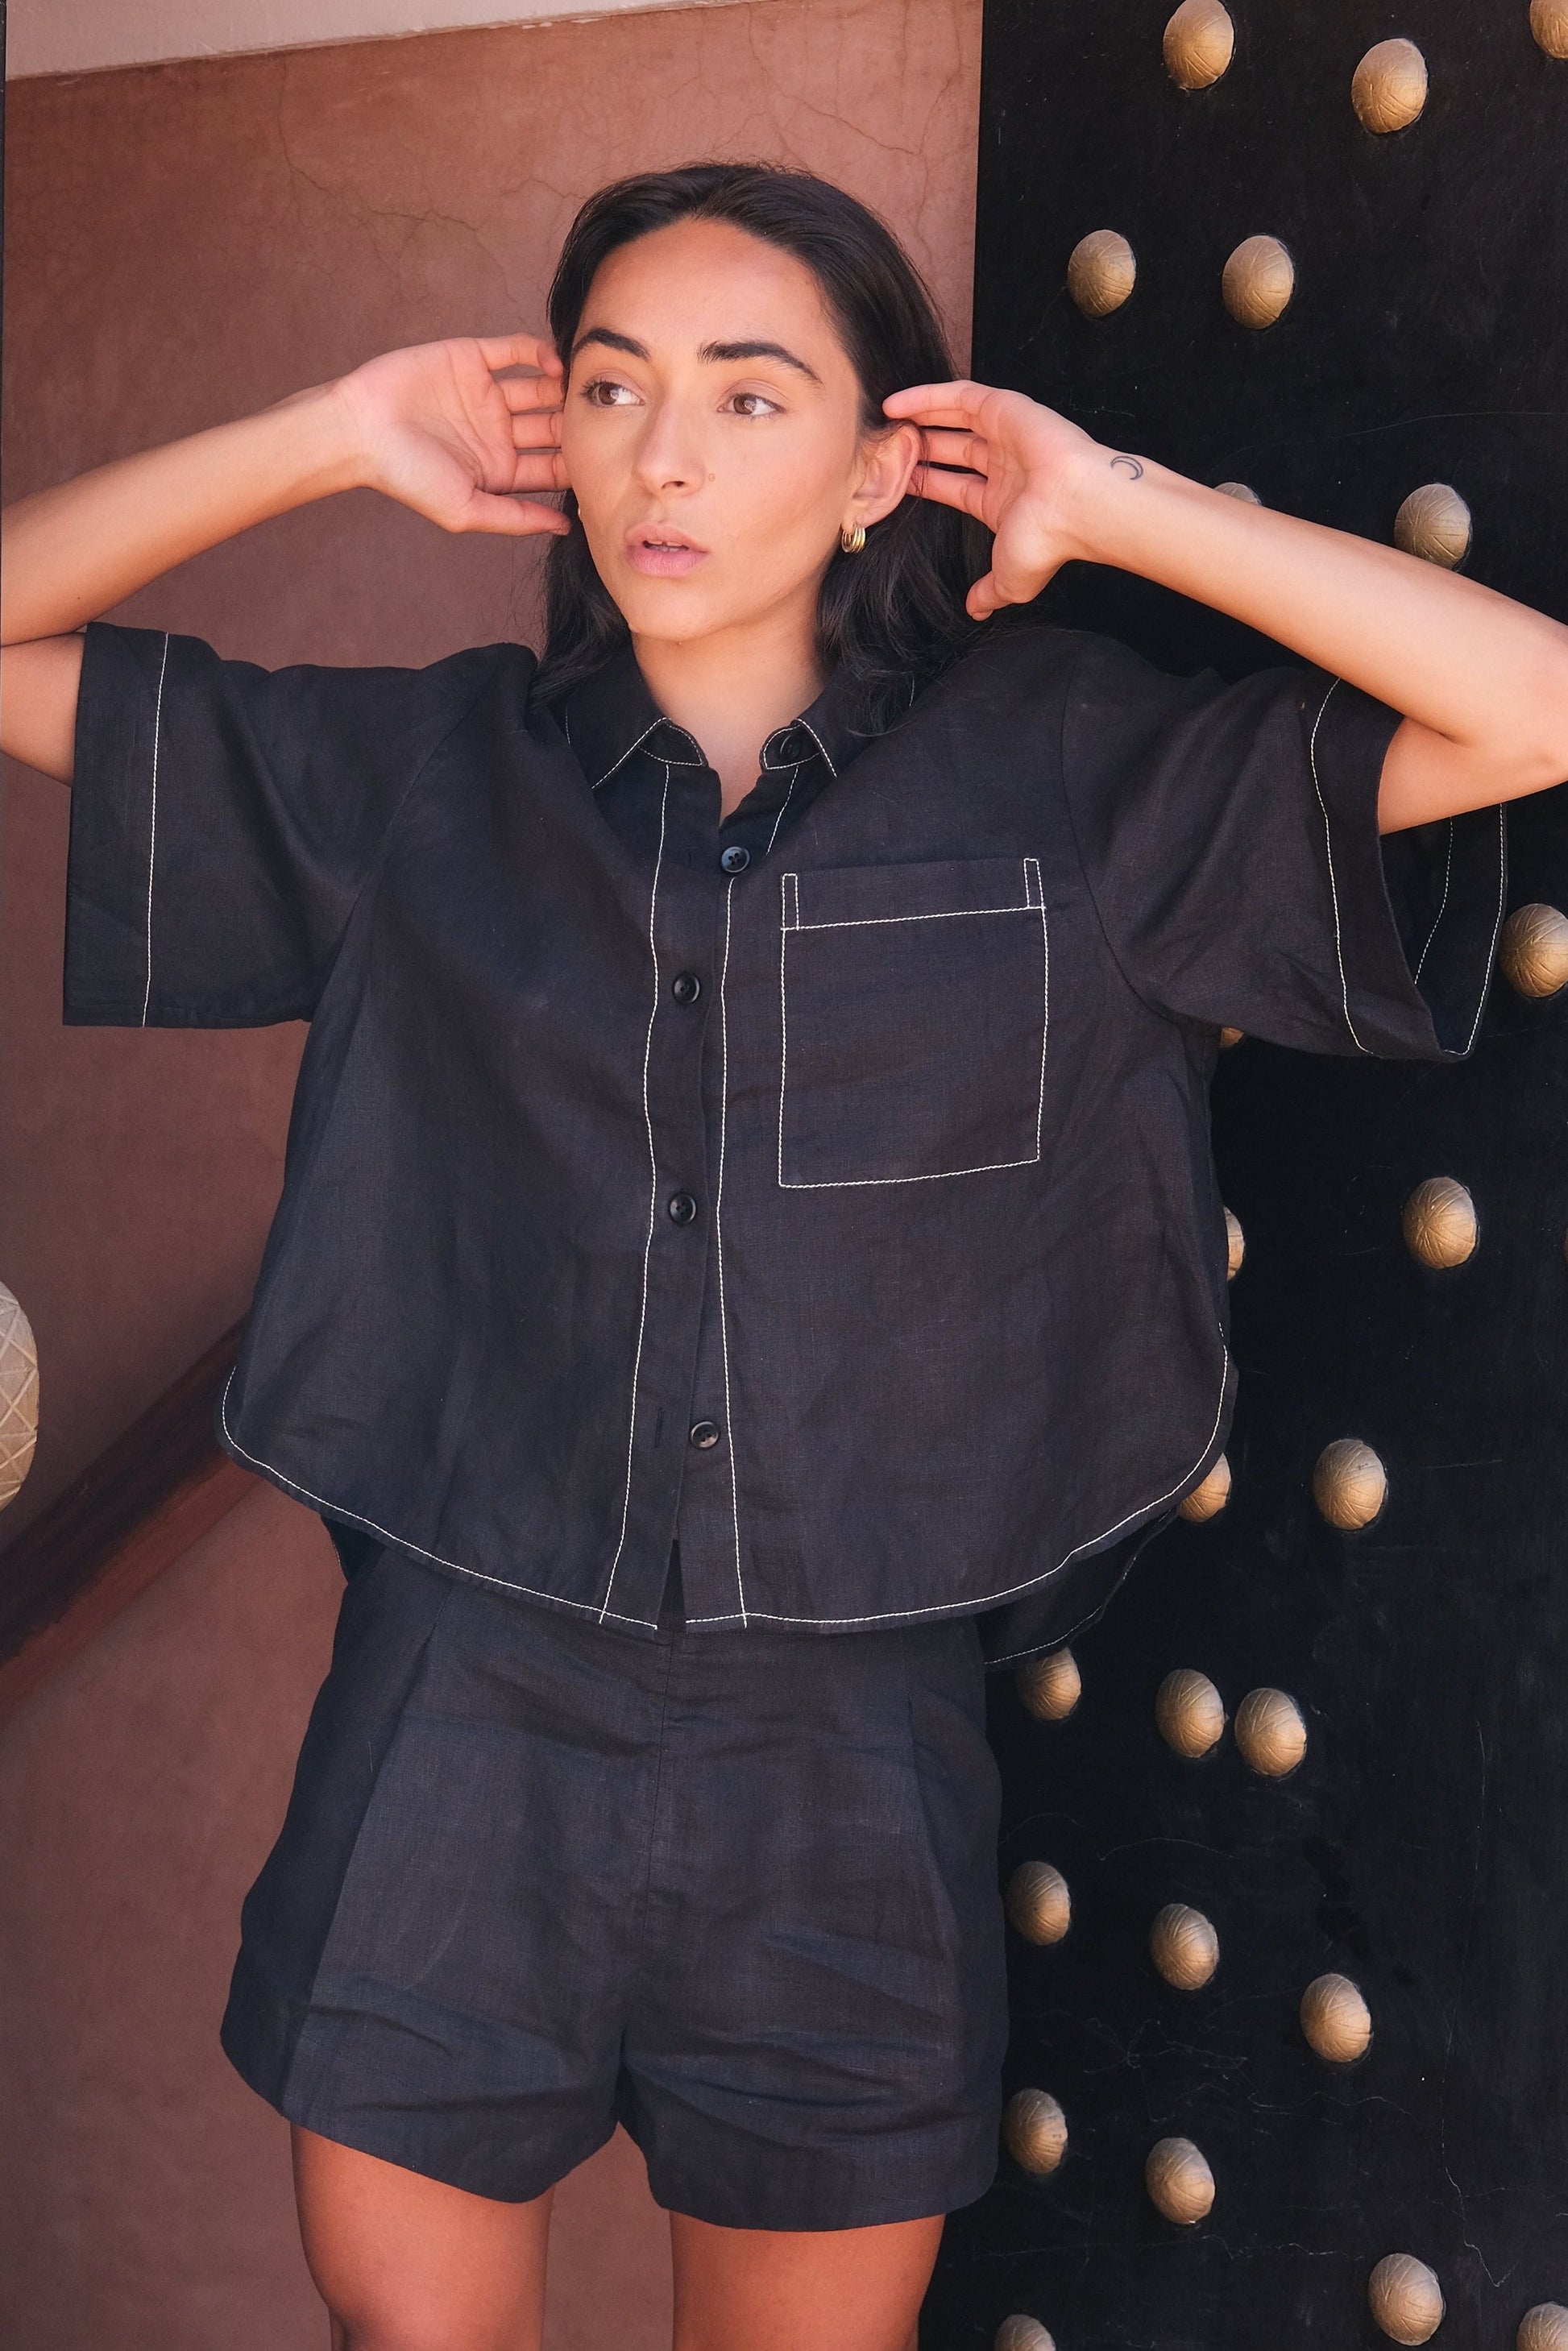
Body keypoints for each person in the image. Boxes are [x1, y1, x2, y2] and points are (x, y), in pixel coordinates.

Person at [4, 160, 1566, 2351]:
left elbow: (1537, 708)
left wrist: (1111, 501)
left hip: (851, 1745)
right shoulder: (422, 773)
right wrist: (326, 434)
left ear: (871, 470)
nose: (664, 453)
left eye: (751, 399)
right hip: (459, 1710)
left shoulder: (1067, 775)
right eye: (615, 388)